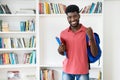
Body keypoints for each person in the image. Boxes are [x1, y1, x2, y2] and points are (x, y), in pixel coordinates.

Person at [57, 4, 98, 80]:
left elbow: (95, 54)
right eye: (70, 17)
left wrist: (91, 38)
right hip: (67, 70)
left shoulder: (87, 31)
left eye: (75, 16)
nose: (72, 19)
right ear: (67, 18)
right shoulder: (63, 33)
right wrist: (60, 50)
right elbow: (63, 53)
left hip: (82, 70)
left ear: (79, 16)